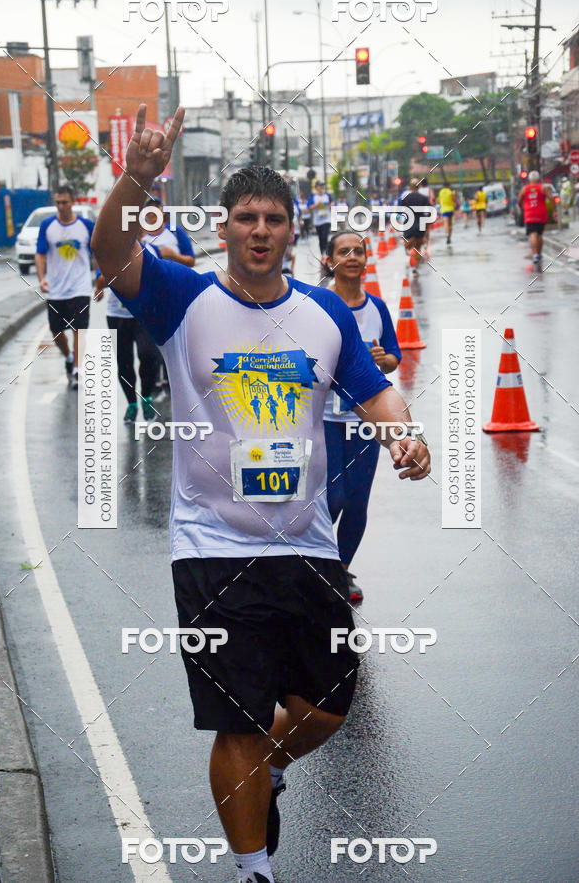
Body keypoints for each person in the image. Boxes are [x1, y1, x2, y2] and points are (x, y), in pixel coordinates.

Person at [91, 103, 430, 883]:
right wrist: (138, 177)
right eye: (245, 217)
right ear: (225, 224)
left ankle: (263, 771)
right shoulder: (182, 298)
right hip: (213, 548)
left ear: (291, 229)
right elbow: (110, 249)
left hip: (306, 542)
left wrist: (402, 433)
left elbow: (375, 393)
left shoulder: (322, 316)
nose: (260, 230)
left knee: (328, 707)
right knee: (237, 719)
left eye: (274, 218)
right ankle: (254, 870)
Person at [322, 231, 401, 604]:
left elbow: (394, 357)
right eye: (343, 251)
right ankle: (314, 566)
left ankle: (339, 570)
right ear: (329, 260)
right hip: (323, 418)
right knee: (332, 498)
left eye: (359, 251)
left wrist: (384, 361)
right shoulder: (317, 304)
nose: (352, 256)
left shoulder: (378, 308)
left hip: (366, 421)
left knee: (356, 502)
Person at [94, 234, 161, 422]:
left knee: (148, 355)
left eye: (137, 228)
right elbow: (100, 279)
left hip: (144, 315)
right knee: (124, 362)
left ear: (141, 231)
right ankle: (131, 403)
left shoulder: (152, 251)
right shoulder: (113, 253)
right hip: (117, 315)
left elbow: (162, 280)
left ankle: (146, 398)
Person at [35, 185, 95, 389]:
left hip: (80, 287)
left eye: (65, 202)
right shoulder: (47, 226)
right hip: (56, 289)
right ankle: (69, 357)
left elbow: (96, 254)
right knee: (56, 331)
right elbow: (40, 253)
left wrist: (100, 277)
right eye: (58, 202)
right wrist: (42, 278)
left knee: (79, 328)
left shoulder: (86, 226)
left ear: (73, 202)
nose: (61, 206)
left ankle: (77, 369)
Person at [517, 171, 554, 266]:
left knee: (533, 234)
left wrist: (523, 207)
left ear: (529, 179)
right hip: (541, 214)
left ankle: (535, 255)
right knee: (540, 234)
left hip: (529, 214)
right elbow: (551, 198)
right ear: (538, 179)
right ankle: (539, 254)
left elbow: (519, 200)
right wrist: (554, 210)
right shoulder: (543, 188)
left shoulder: (525, 189)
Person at [399, 178, 431, 277]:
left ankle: (408, 251)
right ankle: (415, 270)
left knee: (408, 245)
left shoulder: (405, 198)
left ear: (410, 187)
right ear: (419, 186)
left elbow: (400, 210)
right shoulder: (424, 198)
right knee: (418, 247)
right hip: (420, 224)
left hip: (409, 223)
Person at [306, 179, 333, 258]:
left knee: (325, 236)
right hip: (317, 221)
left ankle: (326, 253)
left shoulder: (327, 195)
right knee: (321, 238)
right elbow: (309, 208)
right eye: (320, 186)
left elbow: (332, 202)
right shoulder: (313, 196)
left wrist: (331, 205)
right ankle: (322, 254)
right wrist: (316, 205)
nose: (321, 187)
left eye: (322, 186)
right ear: (316, 187)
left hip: (327, 219)